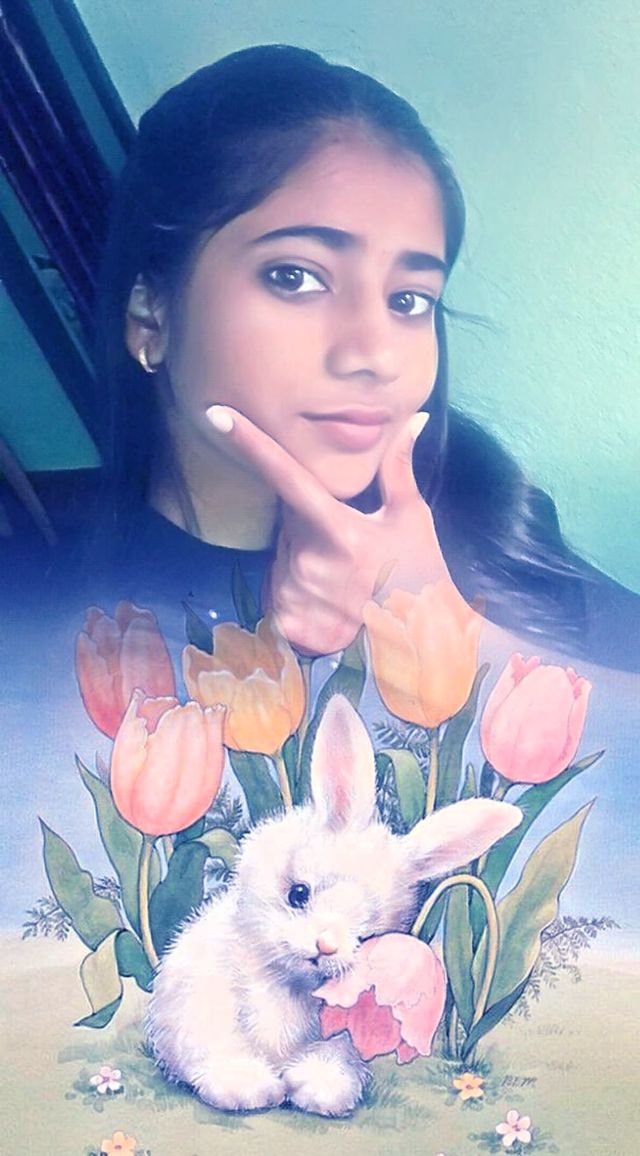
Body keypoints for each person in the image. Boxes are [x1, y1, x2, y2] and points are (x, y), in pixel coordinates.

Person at [63, 40, 634, 670]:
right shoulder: (49, 611)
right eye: (295, 277)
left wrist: (443, 626)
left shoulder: (492, 526)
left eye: (410, 299)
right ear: (151, 315)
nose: (377, 355)